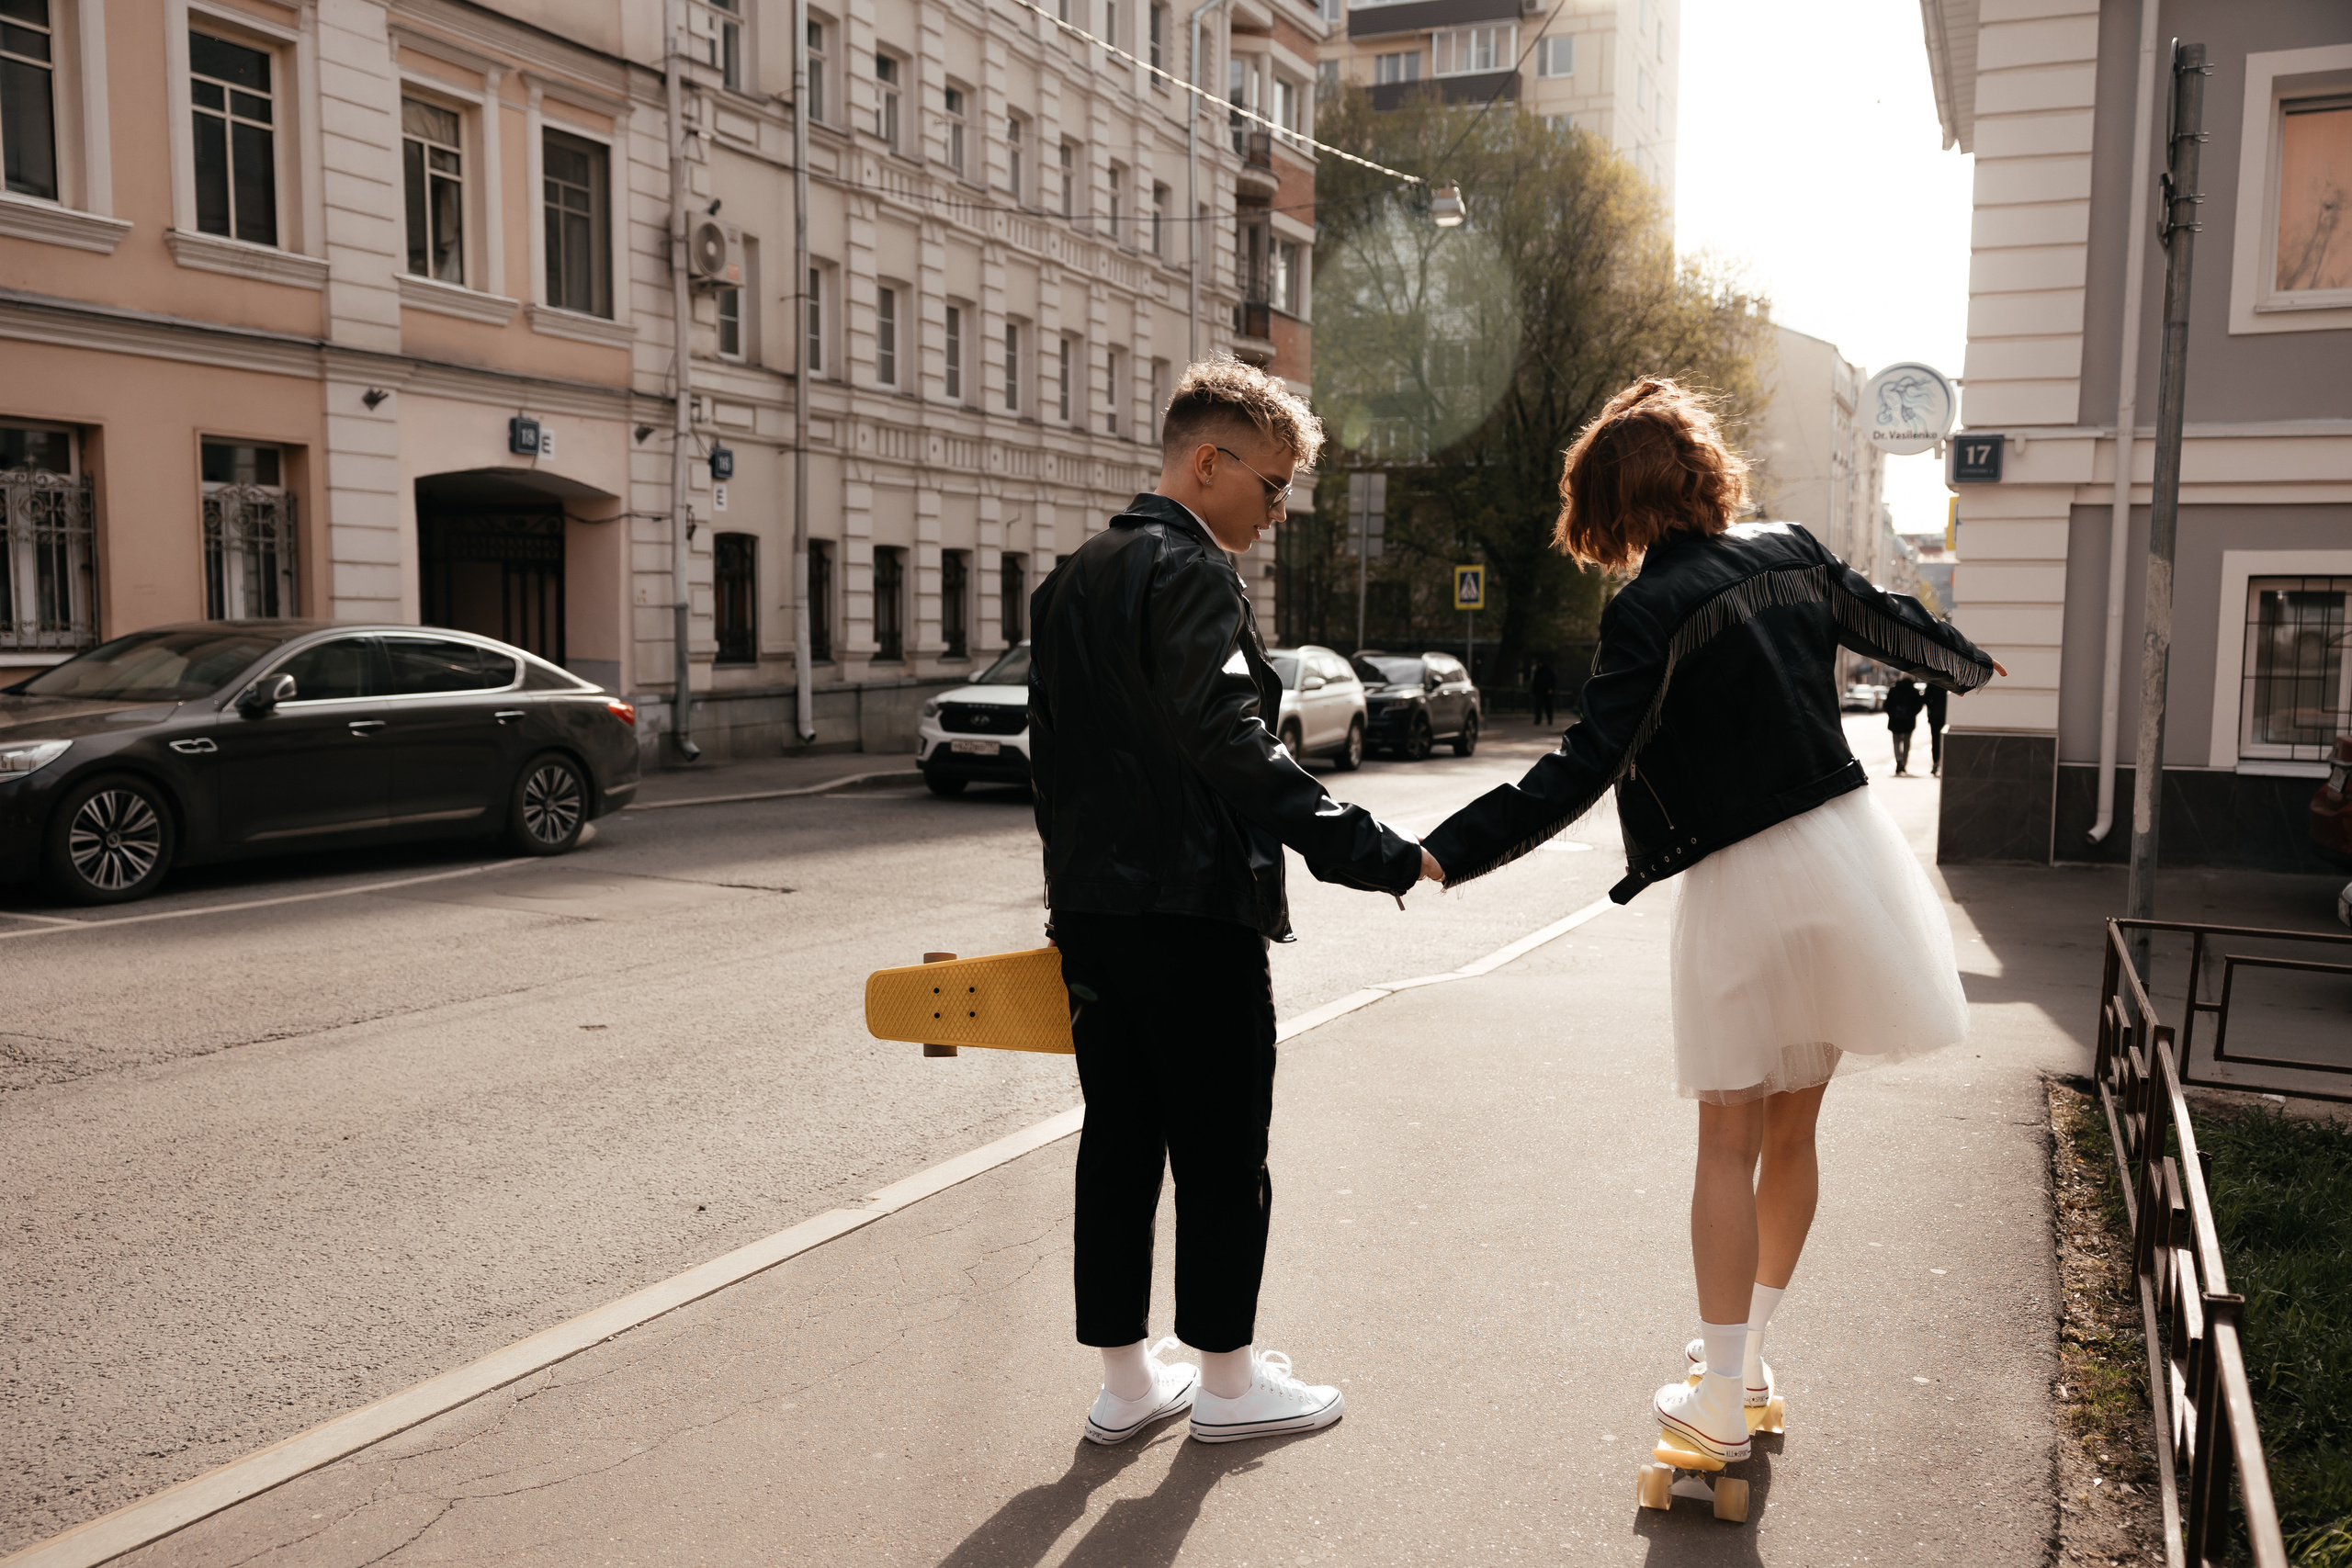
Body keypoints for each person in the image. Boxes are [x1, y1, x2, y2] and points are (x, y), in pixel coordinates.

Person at [1418, 378, 2001, 1470]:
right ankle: (1747, 1361)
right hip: (1852, 861)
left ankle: (1720, 1397)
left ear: (1607, 501)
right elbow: (1888, 620)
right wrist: (1963, 663)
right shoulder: (1789, 547)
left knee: (1725, 1139)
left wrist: (1447, 851)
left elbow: (1583, 764)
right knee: (1793, 1132)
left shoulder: (1647, 608)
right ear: (1700, 472)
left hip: (1746, 884)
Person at [1028, 358, 1440, 1450]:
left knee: (1117, 1138)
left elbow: (1052, 764)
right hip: (1193, 911)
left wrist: (1069, 899)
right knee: (1219, 1145)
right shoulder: (1191, 571)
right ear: (1206, 463)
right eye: (1271, 485)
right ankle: (1226, 1381)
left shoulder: (1069, 578)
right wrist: (1374, 853)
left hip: (1095, 917)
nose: (1278, 510)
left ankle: (1126, 1384)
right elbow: (1232, 746)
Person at [1883, 678, 1925, 776]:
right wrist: (1911, 713)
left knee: (1896, 742)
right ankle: (1904, 763)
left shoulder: (1894, 690)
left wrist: (1892, 714)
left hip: (1895, 721)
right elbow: (1919, 705)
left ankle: (1899, 759)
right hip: (1909, 721)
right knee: (1907, 743)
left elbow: (1886, 705)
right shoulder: (1914, 691)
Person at [1923, 677, 1949, 777]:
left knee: (1935, 740)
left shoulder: (1932, 682)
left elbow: (1925, 698)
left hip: (1934, 716)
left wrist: (1932, 706)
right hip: (1946, 715)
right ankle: (1942, 763)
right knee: (1944, 741)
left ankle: (1935, 763)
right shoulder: (1948, 681)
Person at [1531, 659, 1557, 728]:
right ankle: (1538, 720)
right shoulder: (1538, 671)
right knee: (1538, 707)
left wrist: (1551, 689)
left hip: (1547, 692)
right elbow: (1535, 682)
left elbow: (1553, 681)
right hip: (1539, 692)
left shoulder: (1549, 671)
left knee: (1548, 707)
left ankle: (1549, 720)